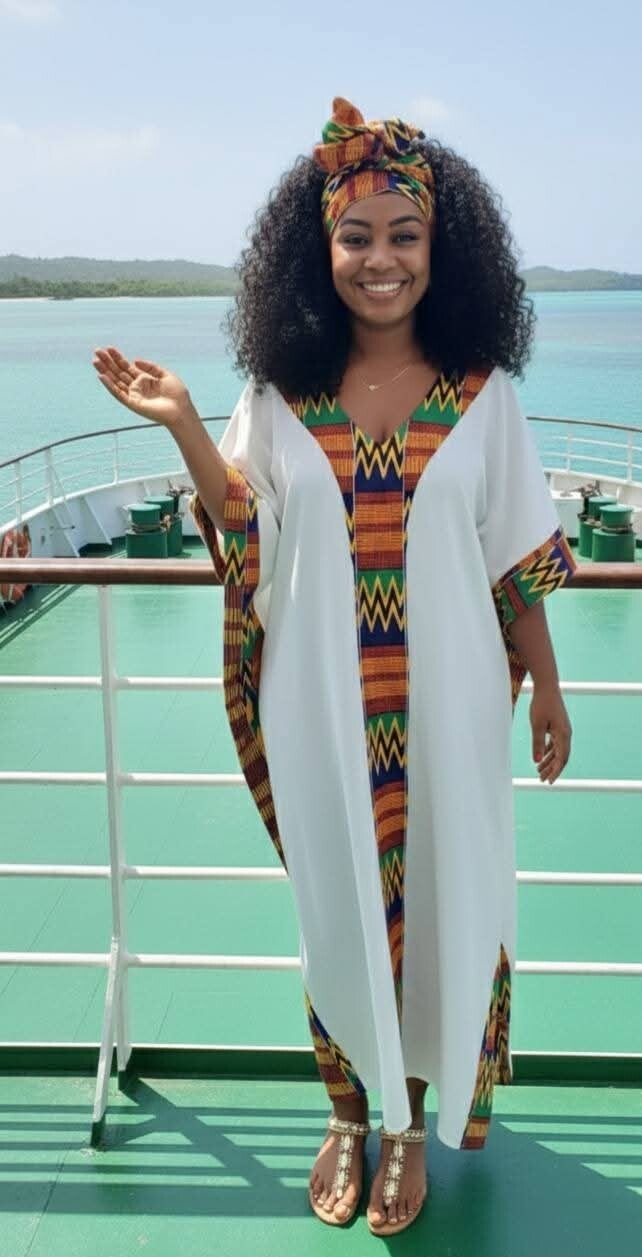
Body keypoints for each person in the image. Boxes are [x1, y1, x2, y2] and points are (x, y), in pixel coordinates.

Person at [92, 95, 576, 1237]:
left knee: (447, 903)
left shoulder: (484, 396)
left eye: (404, 235)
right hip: (317, 709)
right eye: (356, 236)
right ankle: (350, 1111)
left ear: (440, 251)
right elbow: (245, 530)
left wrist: (549, 686)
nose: (380, 259)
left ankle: (410, 1125)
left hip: (450, 717)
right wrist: (183, 423)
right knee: (336, 913)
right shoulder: (276, 396)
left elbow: (512, 559)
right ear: (320, 251)